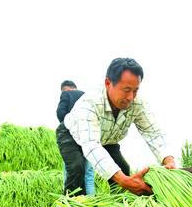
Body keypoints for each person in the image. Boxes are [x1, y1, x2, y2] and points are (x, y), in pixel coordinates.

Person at [56, 58, 176, 196]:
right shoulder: (90, 103)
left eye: (135, 90)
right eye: (126, 90)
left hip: (105, 138)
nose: (131, 97)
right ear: (108, 83)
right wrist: (124, 181)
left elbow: (153, 132)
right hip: (71, 135)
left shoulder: (136, 103)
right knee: (77, 168)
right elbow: (91, 145)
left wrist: (168, 160)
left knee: (123, 169)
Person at [56, 80, 96, 195]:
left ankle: (69, 200)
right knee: (89, 173)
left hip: (71, 138)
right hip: (88, 136)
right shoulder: (87, 96)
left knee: (70, 169)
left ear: (65, 89)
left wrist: (67, 124)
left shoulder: (66, 94)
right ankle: (91, 202)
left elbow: (60, 112)